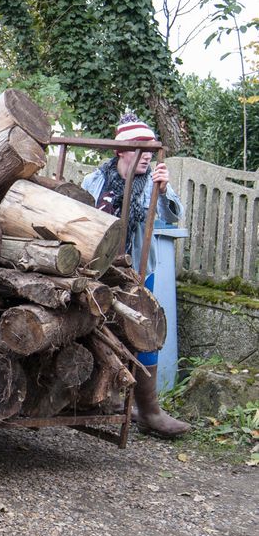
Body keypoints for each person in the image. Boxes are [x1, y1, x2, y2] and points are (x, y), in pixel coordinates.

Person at [81, 113, 191, 438]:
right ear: (121, 151)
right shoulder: (95, 181)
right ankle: (106, 401)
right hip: (99, 269)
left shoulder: (150, 187)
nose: (146, 156)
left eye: (150, 150)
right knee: (99, 330)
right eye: (139, 149)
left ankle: (149, 411)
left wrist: (165, 188)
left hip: (139, 273)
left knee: (145, 332)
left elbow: (173, 215)